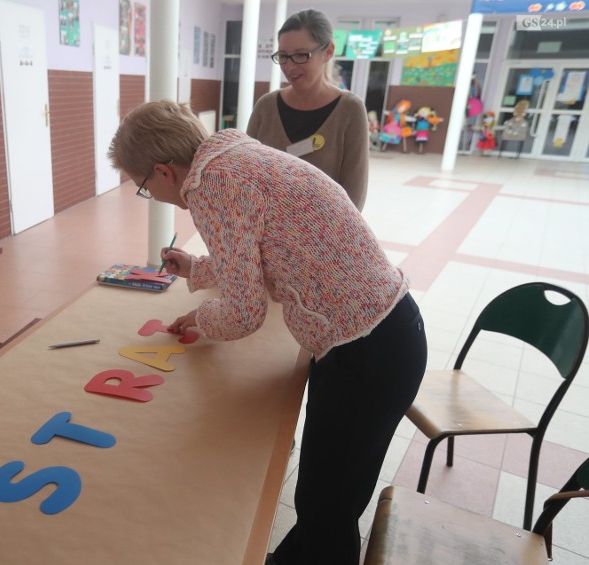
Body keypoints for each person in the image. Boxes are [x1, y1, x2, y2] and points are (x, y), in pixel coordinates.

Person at [108, 100, 427, 565]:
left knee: (327, 508)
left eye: (143, 187)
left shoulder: (214, 185)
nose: (150, 195)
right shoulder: (237, 157)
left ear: (163, 171)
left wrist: (199, 318)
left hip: (366, 353)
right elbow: (258, 250)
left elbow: (244, 313)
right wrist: (197, 269)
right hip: (387, 333)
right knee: (327, 497)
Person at [246, 9, 369, 210]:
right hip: (267, 236)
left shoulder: (349, 110)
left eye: (301, 55)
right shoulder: (266, 107)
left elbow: (355, 194)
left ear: (328, 52)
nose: (290, 66)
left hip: (324, 236)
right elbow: (246, 175)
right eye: (283, 56)